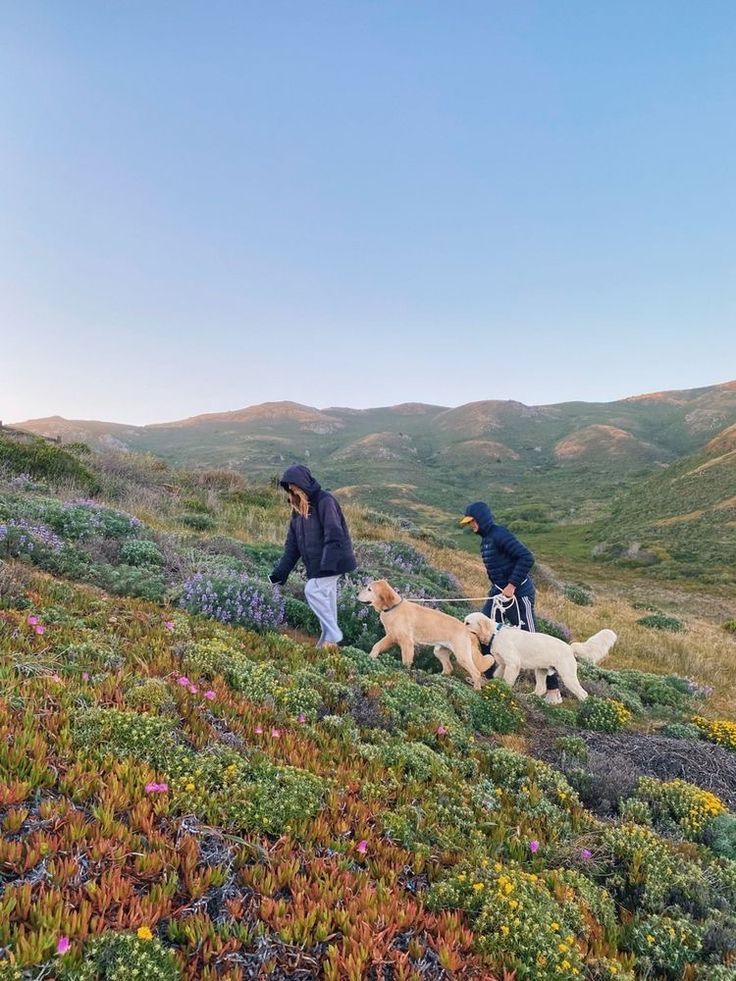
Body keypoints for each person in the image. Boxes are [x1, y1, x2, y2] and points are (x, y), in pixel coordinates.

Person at [460, 501, 562, 703]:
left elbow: (526, 557)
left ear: (481, 519)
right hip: (499, 592)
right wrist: (499, 588)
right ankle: (486, 677)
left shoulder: (500, 534)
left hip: (519, 594)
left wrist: (512, 585)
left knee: (534, 638)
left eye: (472, 522)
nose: (470, 526)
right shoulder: (486, 539)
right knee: (484, 631)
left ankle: (553, 690)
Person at [270, 465, 357, 648]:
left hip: (334, 562)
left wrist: (327, 566)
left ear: (304, 483)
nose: (292, 490)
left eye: (294, 485)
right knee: (327, 602)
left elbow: (334, 534)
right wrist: (279, 575)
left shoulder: (325, 501)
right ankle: (329, 645)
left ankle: (333, 634)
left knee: (312, 590)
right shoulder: (297, 512)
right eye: (289, 487)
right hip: (319, 565)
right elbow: (292, 548)